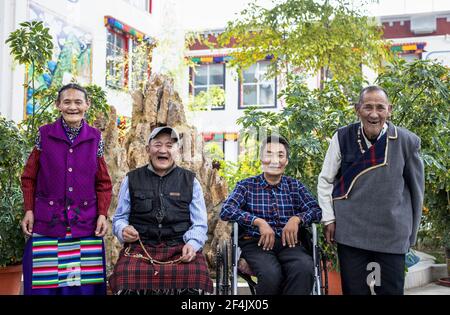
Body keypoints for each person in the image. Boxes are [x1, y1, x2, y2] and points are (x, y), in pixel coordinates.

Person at [317, 85, 425, 295]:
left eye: (380, 108)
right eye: (367, 107)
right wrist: (329, 219)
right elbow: (325, 180)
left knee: (391, 291)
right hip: (352, 231)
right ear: (358, 109)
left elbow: (416, 190)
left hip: (392, 231)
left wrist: (411, 234)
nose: (374, 114)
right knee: (354, 291)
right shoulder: (342, 137)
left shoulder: (407, 141)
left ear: (389, 110)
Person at [20, 83, 112, 295]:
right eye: (67, 102)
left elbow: (103, 183)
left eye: (78, 102)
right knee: (43, 285)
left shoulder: (95, 137)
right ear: (58, 105)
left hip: (84, 224)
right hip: (47, 222)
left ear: (87, 105)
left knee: (81, 287)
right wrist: (29, 209)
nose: (73, 107)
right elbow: (29, 177)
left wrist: (102, 214)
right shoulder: (44, 135)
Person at [109, 126, 213, 295]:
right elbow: (119, 218)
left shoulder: (190, 181)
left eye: (169, 145)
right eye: (157, 144)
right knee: (124, 275)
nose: (163, 150)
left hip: (179, 247)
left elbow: (200, 224)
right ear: (148, 149)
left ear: (177, 150)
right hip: (141, 248)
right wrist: (123, 229)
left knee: (198, 277)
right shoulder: (131, 179)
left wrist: (192, 245)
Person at [220, 135, 322, 295]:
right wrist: (258, 222)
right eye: (269, 154)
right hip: (256, 243)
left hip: (290, 243)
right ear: (261, 159)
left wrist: (297, 219)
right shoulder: (246, 185)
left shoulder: (294, 186)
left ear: (286, 161)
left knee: (304, 268)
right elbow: (226, 210)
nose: (274, 160)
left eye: (280, 155)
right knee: (270, 274)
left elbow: (316, 210)